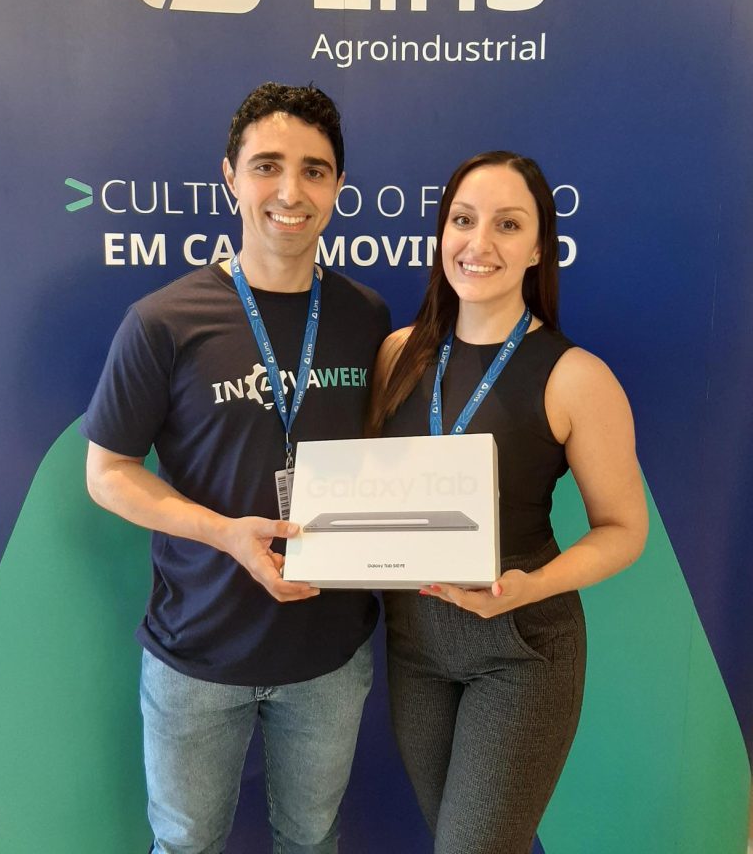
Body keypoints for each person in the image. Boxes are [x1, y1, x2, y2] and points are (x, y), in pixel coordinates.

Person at [83, 82, 390, 854]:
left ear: (338, 187)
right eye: (267, 166)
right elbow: (108, 471)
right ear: (230, 177)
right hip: (198, 648)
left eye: (314, 171)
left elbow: (387, 460)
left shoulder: (366, 317)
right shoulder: (164, 321)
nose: (290, 192)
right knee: (185, 845)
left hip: (328, 652)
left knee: (312, 840)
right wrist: (224, 534)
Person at [369, 151, 648, 854]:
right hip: (413, 645)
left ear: (539, 247)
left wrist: (531, 586)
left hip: (520, 646)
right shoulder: (398, 355)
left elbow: (623, 529)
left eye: (508, 224)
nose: (480, 242)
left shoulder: (576, 376)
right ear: (442, 233)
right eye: (463, 220)